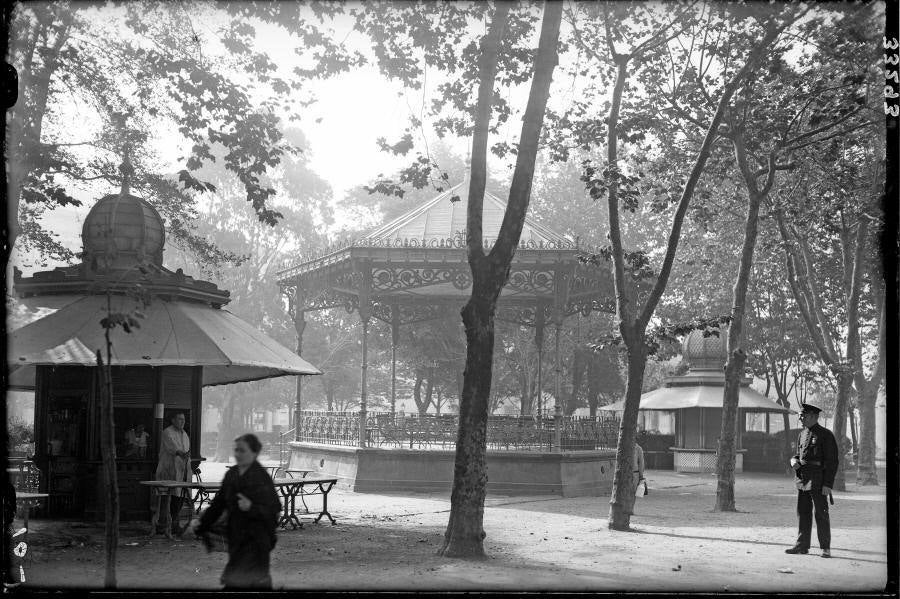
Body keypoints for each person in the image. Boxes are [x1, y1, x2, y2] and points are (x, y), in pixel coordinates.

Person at [193, 434, 281, 589]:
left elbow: (273, 510)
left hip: (257, 539)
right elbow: (218, 504)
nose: (237, 454)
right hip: (237, 536)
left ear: (254, 453)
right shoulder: (232, 474)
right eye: (236, 450)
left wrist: (251, 508)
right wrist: (202, 524)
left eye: (242, 450)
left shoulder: (261, 477)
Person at [785, 403, 839, 558]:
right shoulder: (802, 434)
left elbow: (832, 462)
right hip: (802, 479)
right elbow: (798, 455)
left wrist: (828, 484)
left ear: (814, 417)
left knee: (821, 513)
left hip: (818, 479)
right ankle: (802, 546)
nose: (801, 418)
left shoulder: (826, 435)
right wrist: (792, 461)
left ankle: (825, 548)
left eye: (804, 415)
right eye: (801, 415)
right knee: (803, 513)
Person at [155, 413, 191, 535]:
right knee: (165, 498)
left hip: (181, 471)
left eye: (184, 419)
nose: (182, 422)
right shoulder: (167, 432)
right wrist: (182, 454)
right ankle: (162, 526)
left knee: (179, 497)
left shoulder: (185, 434)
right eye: (180, 419)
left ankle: (175, 525)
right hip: (168, 469)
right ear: (173, 420)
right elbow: (174, 448)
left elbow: (186, 451)